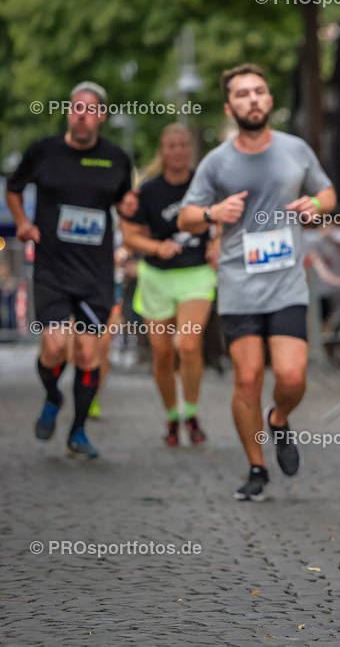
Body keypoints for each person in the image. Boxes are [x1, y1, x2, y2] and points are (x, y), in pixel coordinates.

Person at [178, 63, 336, 501]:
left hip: (286, 283)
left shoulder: (295, 149)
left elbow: (327, 193)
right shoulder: (217, 162)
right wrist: (213, 213)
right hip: (238, 284)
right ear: (230, 107)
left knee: (291, 375)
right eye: (242, 94)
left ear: (269, 101)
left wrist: (314, 205)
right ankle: (256, 466)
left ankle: (279, 418)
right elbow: (185, 216)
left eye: (259, 91)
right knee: (246, 378)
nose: (252, 99)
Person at [5, 81, 134, 459]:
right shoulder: (43, 152)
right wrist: (22, 223)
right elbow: (14, 188)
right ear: (68, 112)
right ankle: (52, 395)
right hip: (53, 268)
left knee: (89, 354)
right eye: (76, 107)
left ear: (102, 116)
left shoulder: (116, 158)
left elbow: (125, 203)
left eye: (90, 109)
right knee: (57, 346)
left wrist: (128, 222)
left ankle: (77, 433)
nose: (82, 114)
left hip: (95, 272)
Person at [122, 122, 218, 446]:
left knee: (188, 345)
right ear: (162, 152)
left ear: (190, 150)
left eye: (182, 145)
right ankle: (171, 417)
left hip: (196, 274)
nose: (177, 151)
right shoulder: (149, 191)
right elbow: (130, 236)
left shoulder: (203, 186)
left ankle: (191, 412)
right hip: (157, 278)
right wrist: (155, 248)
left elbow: (223, 221)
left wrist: (218, 244)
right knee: (162, 355)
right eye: (171, 146)